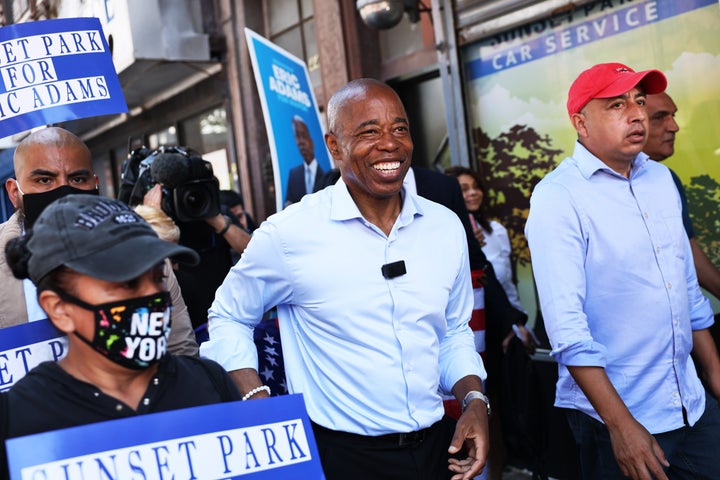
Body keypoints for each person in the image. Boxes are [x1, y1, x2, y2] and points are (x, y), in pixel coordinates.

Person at [201, 78, 490, 480]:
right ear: (334, 146)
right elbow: (228, 315)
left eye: (400, 129)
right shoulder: (289, 234)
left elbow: (454, 329)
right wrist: (255, 399)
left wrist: (474, 399)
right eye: (369, 131)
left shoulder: (444, 226)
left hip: (438, 451)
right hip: (342, 459)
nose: (390, 144)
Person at [525, 62, 720, 480]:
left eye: (639, 101)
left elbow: (686, 288)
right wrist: (621, 426)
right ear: (580, 122)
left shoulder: (661, 179)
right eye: (616, 104)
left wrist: (715, 372)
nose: (635, 114)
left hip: (691, 402)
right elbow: (568, 331)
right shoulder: (558, 198)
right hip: (621, 415)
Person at [0, 194, 243, 477]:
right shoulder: (17, 419)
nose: (152, 294)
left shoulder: (210, 381)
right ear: (60, 309)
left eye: (156, 277)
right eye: (126, 283)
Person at [0, 127, 199, 356]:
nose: (63, 190)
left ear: (95, 184)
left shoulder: (141, 252)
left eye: (77, 178)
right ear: (14, 192)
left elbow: (180, 349)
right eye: (45, 179)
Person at [643, 92, 720, 301]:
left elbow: (686, 249)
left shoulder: (665, 178)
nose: (674, 127)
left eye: (673, 116)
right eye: (659, 117)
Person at [445, 166, 526, 314]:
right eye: (464, 189)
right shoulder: (442, 238)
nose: (473, 193)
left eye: (476, 187)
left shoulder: (496, 230)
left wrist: (519, 321)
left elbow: (507, 284)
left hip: (506, 321)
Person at [284, 115, 325, 206]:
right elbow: (288, 201)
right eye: (297, 136)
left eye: (304, 135)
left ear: (312, 141)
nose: (301, 141)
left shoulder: (326, 175)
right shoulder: (293, 174)